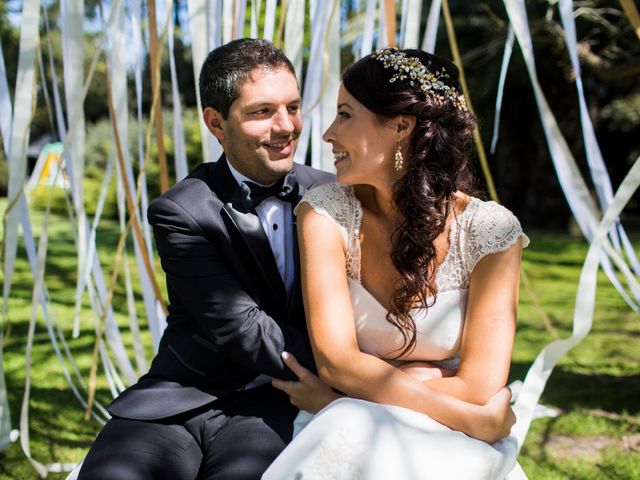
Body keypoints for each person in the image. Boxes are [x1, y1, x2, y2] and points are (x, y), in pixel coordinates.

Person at [262, 48, 529, 480]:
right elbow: (336, 364)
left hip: (446, 438)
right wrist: (473, 419)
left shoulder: (491, 231)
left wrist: (345, 398)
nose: (328, 133)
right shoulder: (325, 212)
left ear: (401, 126)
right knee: (349, 430)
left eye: (345, 115)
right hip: (378, 426)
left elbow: (480, 386)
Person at [78, 38, 335, 480]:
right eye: (262, 111)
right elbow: (241, 327)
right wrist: (343, 362)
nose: (286, 125)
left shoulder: (334, 195)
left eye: (292, 107)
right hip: (183, 394)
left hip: (274, 403)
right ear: (216, 122)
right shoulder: (181, 210)